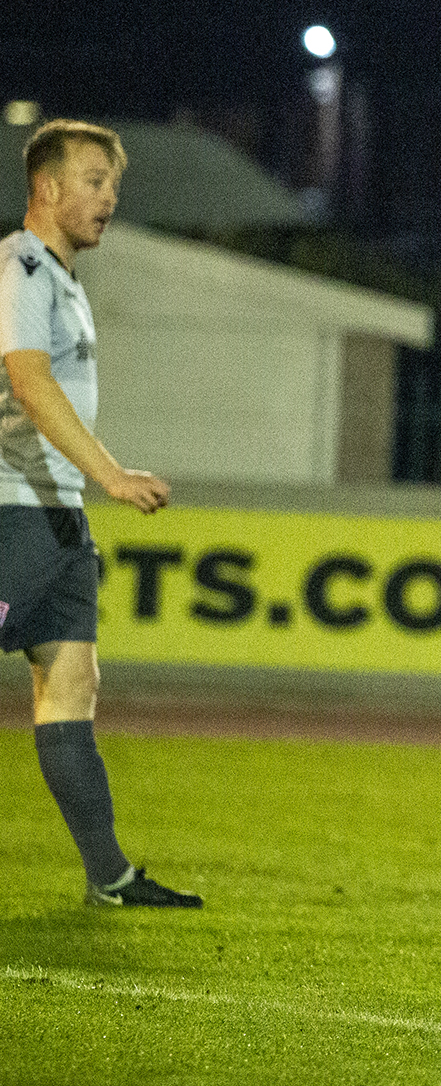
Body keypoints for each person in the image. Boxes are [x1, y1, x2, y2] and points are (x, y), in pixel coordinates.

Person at [1, 120, 202, 909]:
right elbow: (28, 381)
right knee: (66, 681)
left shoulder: (62, 279)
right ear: (46, 187)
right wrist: (111, 473)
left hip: (57, 519)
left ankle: (110, 876)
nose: (109, 198)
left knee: (71, 682)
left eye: (112, 183)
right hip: (13, 510)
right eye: (93, 180)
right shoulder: (19, 265)